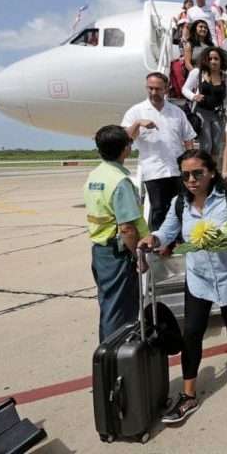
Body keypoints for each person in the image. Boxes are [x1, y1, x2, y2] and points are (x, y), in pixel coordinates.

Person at [138, 150, 227, 423]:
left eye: (197, 173)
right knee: (192, 332)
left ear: (211, 172)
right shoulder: (180, 204)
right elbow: (166, 232)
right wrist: (151, 239)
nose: (191, 179)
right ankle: (189, 395)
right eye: (185, 174)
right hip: (198, 278)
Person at [83, 125, 149, 342]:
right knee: (120, 311)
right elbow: (127, 228)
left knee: (108, 305)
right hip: (118, 254)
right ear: (125, 150)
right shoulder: (119, 182)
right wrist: (138, 256)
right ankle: (116, 359)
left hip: (100, 251)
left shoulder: (95, 175)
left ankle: (108, 357)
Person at [121, 72, 196, 231]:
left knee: (182, 206)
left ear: (166, 89)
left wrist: (191, 164)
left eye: (158, 89)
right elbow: (125, 138)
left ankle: (180, 240)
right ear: (146, 87)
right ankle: (159, 243)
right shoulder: (136, 111)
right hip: (154, 170)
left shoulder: (176, 112)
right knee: (159, 209)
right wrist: (137, 124)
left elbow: (188, 137)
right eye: (151, 88)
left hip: (177, 169)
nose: (154, 92)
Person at [182, 46, 227, 164]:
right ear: (205, 60)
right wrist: (193, 96)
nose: (213, 61)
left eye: (216, 58)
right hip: (202, 112)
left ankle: (212, 172)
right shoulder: (198, 73)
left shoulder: (225, 78)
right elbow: (185, 89)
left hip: (218, 115)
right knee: (206, 145)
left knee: (217, 146)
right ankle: (204, 171)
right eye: (210, 58)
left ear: (221, 61)